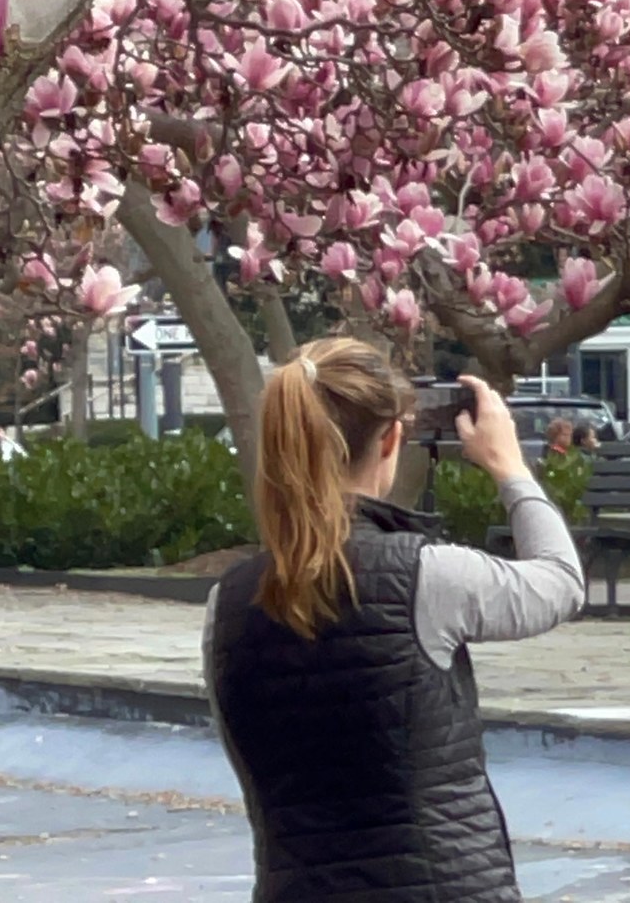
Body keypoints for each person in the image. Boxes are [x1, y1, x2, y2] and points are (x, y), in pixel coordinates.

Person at [204, 338, 584, 903]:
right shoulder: (425, 576)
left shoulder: (226, 605)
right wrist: (509, 467)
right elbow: (560, 581)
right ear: (391, 439)